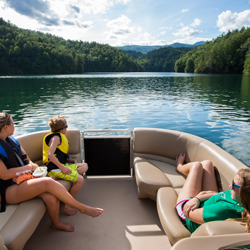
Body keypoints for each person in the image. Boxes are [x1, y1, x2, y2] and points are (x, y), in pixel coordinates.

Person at [0, 112, 103, 232]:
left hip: (23, 180)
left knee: (52, 198)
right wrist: (30, 168)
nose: (14, 126)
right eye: (12, 123)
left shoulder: (11, 141)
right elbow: (5, 174)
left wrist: (33, 166)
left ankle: (55, 223)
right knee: (47, 182)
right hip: (6, 191)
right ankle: (83, 208)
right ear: (5, 127)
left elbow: (27, 159)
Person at [175, 152, 250, 233]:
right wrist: (199, 198)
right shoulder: (238, 198)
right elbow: (216, 194)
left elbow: (188, 213)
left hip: (187, 214)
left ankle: (179, 166)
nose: (230, 186)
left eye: (234, 184)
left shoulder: (223, 210)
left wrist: (196, 198)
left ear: (244, 193)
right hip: (205, 202)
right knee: (207, 164)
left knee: (196, 166)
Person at [43, 115, 88, 216]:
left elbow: (59, 154)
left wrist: (71, 160)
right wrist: (62, 168)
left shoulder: (58, 137)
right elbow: (50, 155)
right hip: (54, 168)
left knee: (84, 166)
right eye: (66, 126)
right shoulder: (55, 138)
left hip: (60, 166)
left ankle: (57, 178)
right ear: (63, 129)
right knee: (80, 180)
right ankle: (66, 206)